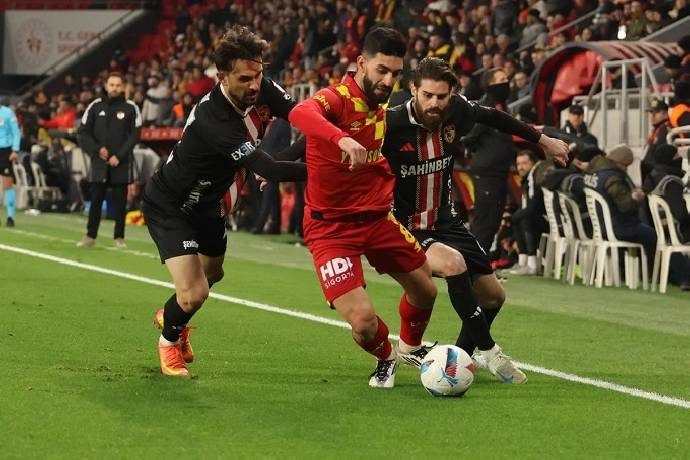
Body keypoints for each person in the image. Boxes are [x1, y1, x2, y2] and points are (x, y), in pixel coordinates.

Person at [383, 57, 569, 383]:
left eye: (441, 96)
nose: (434, 103)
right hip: (405, 224)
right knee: (453, 264)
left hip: (445, 220)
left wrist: (542, 140)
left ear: (452, 93)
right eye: (427, 95)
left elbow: (496, 118)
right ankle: (491, 352)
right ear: (413, 89)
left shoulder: (458, 110)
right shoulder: (391, 123)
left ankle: (458, 361)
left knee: (494, 296)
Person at [144, 26, 307, 378]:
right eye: (245, 78)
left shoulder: (262, 87)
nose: (254, 85)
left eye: (258, 75)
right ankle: (169, 341)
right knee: (194, 293)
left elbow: (305, 118)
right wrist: (333, 170)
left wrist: (332, 131)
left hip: (209, 205)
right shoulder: (214, 118)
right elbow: (269, 169)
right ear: (222, 77)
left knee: (213, 274)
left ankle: (171, 314)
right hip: (172, 204)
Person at [288, 27, 438, 389]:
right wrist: (341, 138)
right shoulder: (336, 98)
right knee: (364, 322)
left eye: (395, 74)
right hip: (331, 228)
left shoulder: (383, 102)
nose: (387, 80)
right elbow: (301, 113)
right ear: (361, 63)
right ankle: (386, 357)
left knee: (426, 291)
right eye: (381, 70)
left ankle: (410, 348)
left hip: (377, 218)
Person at [77, 73, 142, 249]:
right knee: (96, 200)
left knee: (121, 202)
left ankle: (119, 237)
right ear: (106, 86)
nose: (114, 88)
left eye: (118, 85)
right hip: (99, 162)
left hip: (121, 163)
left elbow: (135, 135)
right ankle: (90, 235)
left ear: (123, 87)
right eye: (111, 85)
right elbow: (83, 132)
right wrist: (97, 149)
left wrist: (119, 156)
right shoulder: (95, 106)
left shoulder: (131, 108)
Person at [465, 67, 518, 253]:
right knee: (485, 221)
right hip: (487, 173)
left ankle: (481, 261)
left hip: (499, 172)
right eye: (501, 79)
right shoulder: (484, 107)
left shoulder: (502, 106)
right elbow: (469, 136)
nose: (506, 83)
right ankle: (474, 263)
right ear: (490, 84)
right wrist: (482, 154)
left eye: (506, 78)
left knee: (493, 221)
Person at [509, 150, 551, 275]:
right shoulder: (527, 178)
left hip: (550, 221)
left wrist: (515, 217)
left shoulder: (536, 174)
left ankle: (532, 265)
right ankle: (523, 262)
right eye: (518, 164)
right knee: (518, 217)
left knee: (524, 217)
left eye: (524, 163)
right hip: (539, 218)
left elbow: (534, 207)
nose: (520, 167)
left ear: (532, 163)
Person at [0, 97, 20, 227]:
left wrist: (15, 150)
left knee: (7, 183)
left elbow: (16, 132)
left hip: (5, 150)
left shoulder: (8, 113)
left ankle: (10, 217)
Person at [640, 97, 669, 184]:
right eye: (651, 112)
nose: (652, 116)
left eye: (656, 112)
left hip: (655, 177)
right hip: (649, 175)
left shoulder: (665, 130)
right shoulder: (656, 130)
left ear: (665, 114)